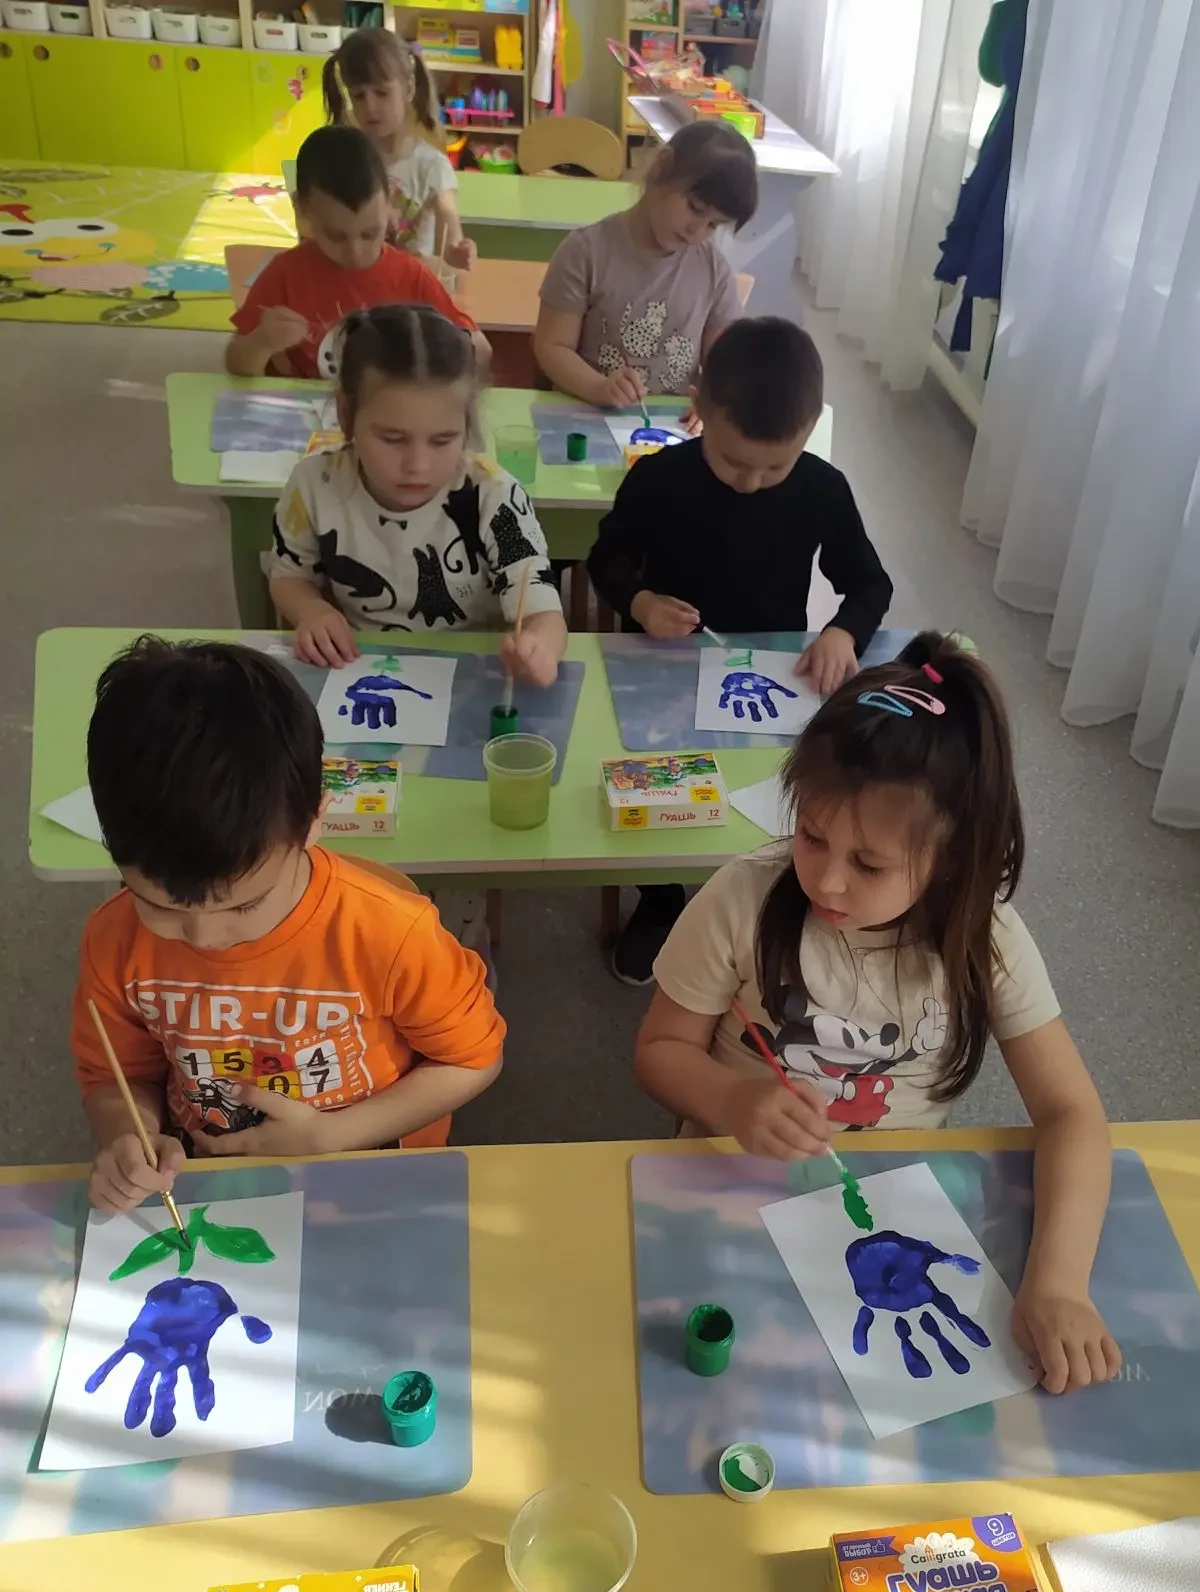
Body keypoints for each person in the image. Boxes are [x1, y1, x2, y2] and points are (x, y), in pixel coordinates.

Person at [635, 635, 1121, 1396]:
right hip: (728, 1181)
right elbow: (660, 1049)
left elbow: (1072, 1113)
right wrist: (730, 1099)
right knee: (718, 1380)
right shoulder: (743, 898)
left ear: (951, 858)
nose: (826, 880)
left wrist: (1059, 1283)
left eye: (869, 864)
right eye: (811, 835)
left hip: (896, 1203)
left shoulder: (984, 938)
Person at [73, 638, 505, 1212]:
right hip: (206, 1178)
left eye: (244, 906)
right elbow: (116, 1076)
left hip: (371, 1167)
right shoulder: (113, 941)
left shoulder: (389, 932)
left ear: (314, 821)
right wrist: (127, 1136)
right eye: (162, 907)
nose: (205, 938)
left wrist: (331, 1135)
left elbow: (472, 1058)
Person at [589, 316, 894, 984]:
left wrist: (843, 631)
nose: (752, 482)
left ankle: (770, 894)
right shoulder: (660, 478)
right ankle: (661, 901)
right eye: (732, 462)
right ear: (698, 407)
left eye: (774, 466)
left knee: (778, 798)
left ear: (809, 430)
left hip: (771, 671)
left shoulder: (821, 488)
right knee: (661, 787)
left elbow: (871, 583)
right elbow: (606, 559)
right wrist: (640, 602)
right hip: (668, 666)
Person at [267, 303, 567, 683]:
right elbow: (289, 576)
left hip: (472, 676)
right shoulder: (315, 484)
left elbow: (543, 611)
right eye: (392, 438)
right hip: (358, 669)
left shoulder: (495, 496)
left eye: (443, 440)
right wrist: (311, 610)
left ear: (467, 425)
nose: (418, 466)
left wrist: (540, 647)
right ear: (345, 415)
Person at [226, 126, 487, 381]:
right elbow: (236, 363)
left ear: (389, 203)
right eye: (336, 236)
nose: (355, 252)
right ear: (302, 209)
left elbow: (480, 349)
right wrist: (262, 342)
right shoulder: (285, 274)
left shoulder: (411, 278)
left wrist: (451, 353)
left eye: (370, 233)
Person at [534, 119, 758, 409]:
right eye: (695, 208)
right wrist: (598, 387)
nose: (697, 230)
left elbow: (724, 366)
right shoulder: (585, 251)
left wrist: (712, 402)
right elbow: (552, 346)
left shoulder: (714, 271)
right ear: (661, 166)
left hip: (672, 426)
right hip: (590, 416)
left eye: (713, 225)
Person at [323, 28, 476, 269]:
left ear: (409, 89)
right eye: (359, 96)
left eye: (382, 93)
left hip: (408, 284)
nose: (370, 107)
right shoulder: (345, 160)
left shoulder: (432, 166)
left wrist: (458, 252)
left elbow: (450, 234)